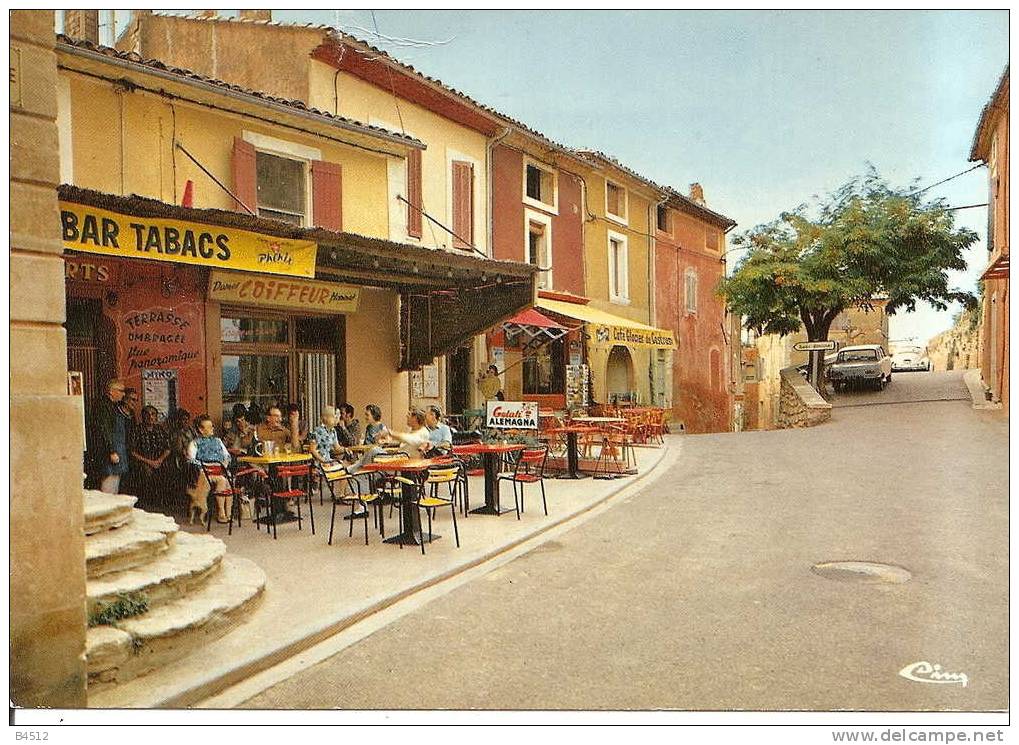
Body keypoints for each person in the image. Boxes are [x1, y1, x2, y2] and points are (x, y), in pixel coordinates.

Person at [187, 414, 234, 523]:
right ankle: (221, 512)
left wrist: (224, 464)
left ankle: (229, 513)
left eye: (212, 426)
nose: (212, 428)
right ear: (201, 430)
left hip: (220, 468)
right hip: (205, 471)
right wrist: (208, 466)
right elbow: (191, 460)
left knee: (229, 480)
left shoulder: (218, 441)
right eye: (209, 427)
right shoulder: (194, 443)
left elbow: (227, 455)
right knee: (223, 480)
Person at [129, 405, 170, 506]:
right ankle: (146, 503)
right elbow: (132, 452)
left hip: (159, 460)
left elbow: (168, 448)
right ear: (143, 416)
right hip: (143, 461)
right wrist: (150, 462)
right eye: (147, 414)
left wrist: (160, 460)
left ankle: (162, 501)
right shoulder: (137, 430)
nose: (150, 417)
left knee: (168, 470)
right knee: (146, 472)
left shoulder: (160, 429)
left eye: (153, 414)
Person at [95, 379, 130, 493]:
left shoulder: (113, 406)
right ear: (111, 391)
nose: (123, 394)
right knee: (109, 490)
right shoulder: (104, 407)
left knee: (115, 487)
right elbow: (105, 430)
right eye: (121, 391)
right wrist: (111, 451)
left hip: (117, 451)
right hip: (110, 453)